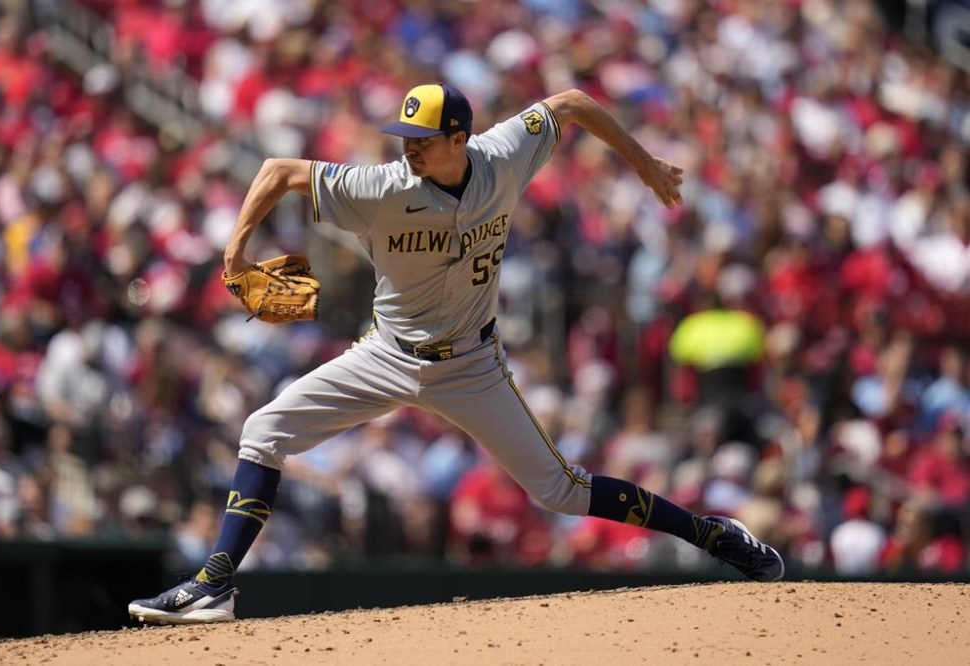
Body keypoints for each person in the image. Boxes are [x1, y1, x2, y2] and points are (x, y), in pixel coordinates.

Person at [128, 82, 784, 624]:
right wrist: (235, 250)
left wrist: (641, 161)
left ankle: (710, 534)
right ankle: (214, 584)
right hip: (387, 353)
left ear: (459, 139)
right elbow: (277, 172)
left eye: (422, 140)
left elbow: (573, 103)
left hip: (472, 364)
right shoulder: (381, 186)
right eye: (404, 137)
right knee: (263, 430)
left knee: (560, 490)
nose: (408, 148)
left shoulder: (501, 156)